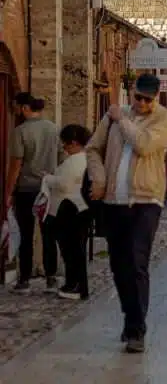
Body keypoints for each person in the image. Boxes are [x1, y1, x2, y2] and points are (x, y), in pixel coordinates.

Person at [86, 74, 167, 353]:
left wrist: (121, 120)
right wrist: (99, 179)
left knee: (137, 262)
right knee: (118, 265)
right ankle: (130, 318)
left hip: (146, 200)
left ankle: (137, 329)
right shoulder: (114, 115)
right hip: (114, 201)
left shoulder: (165, 118)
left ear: (156, 97)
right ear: (132, 92)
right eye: (138, 97)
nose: (142, 103)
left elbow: (145, 145)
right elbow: (93, 149)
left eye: (148, 99)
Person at [4, 95, 59, 292]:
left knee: (26, 234)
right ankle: (51, 277)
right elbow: (61, 157)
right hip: (48, 188)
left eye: (16, 107)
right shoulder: (53, 129)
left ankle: (24, 279)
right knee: (49, 233)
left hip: (27, 188)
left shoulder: (20, 131)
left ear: (25, 108)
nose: (15, 111)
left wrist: (7, 192)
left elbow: (16, 165)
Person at [42, 124, 91, 300]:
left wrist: (48, 179)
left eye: (66, 144)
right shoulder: (83, 159)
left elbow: (64, 183)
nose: (64, 147)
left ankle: (75, 285)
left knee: (71, 250)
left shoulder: (76, 161)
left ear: (75, 143)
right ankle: (73, 283)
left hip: (71, 210)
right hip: (77, 209)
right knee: (71, 250)